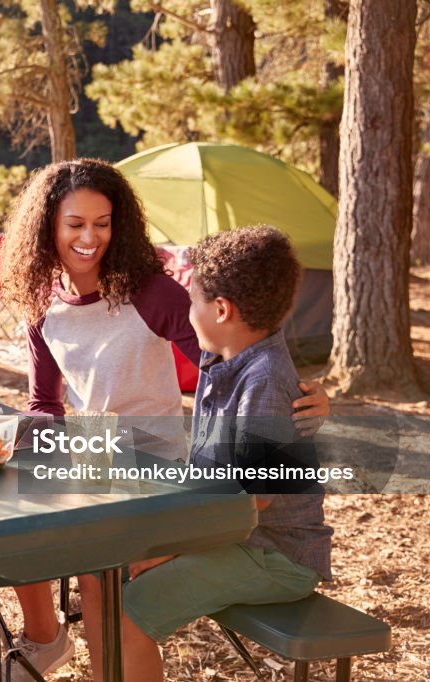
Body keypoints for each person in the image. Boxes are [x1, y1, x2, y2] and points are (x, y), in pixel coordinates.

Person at [0, 159, 329, 682]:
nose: (90, 237)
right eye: (75, 224)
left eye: (102, 224)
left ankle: (101, 664)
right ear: (47, 227)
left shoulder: (154, 294)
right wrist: (0, 433)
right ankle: (36, 642)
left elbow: (234, 356)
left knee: (96, 569)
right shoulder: (41, 300)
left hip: (159, 466)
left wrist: (305, 403)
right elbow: (46, 405)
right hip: (95, 453)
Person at [76, 225, 333, 680]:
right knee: (103, 569)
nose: (186, 312)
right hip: (233, 536)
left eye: (191, 301)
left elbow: (254, 500)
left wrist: (171, 550)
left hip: (273, 554)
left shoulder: (265, 381)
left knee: (129, 610)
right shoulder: (226, 359)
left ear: (221, 309)